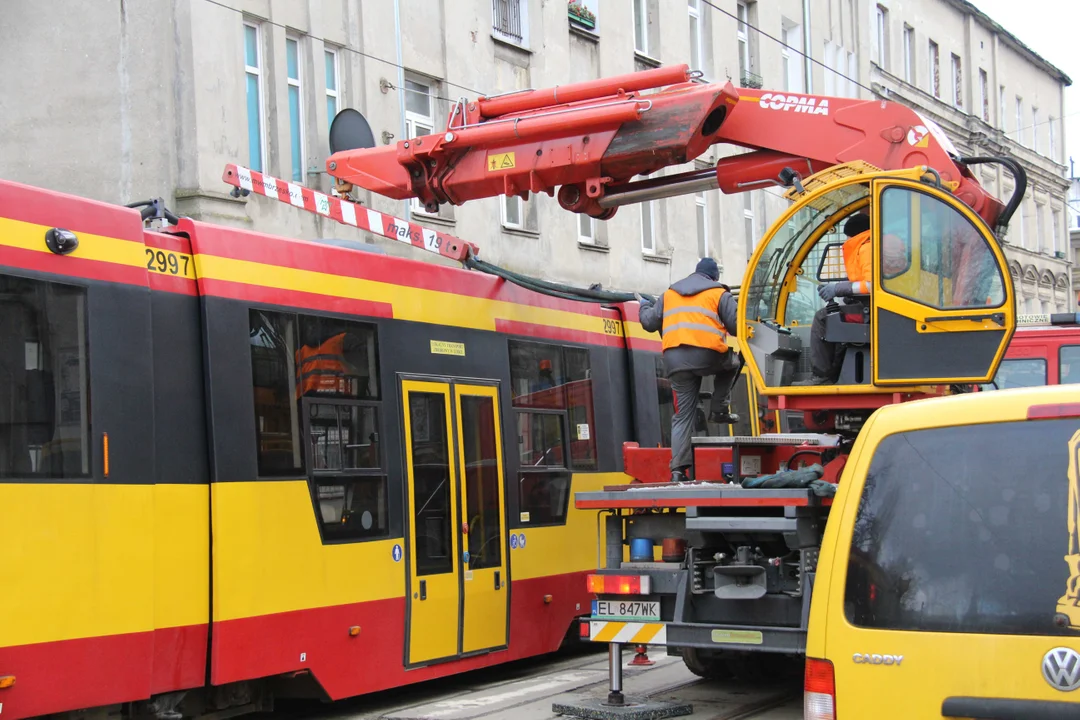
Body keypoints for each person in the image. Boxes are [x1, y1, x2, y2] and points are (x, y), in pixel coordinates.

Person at [638, 258, 740, 483]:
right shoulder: (718, 293)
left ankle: (677, 471)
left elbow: (649, 323)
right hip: (708, 355)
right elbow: (737, 326)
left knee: (683, 416)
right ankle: (719, 408)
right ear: (714, 277)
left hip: (675, 361)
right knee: (734, 362)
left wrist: (644, 305)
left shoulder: (669, 294)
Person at [797, 214, 873, 386]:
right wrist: (846, 293)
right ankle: (835, 374)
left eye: (847, 236)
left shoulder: (866, 247)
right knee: (836, 317)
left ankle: (822, 375)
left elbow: (871, 285)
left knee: (823, 318)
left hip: (871, 313)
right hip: (875, 309)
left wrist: (838, 289)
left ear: (854, 234)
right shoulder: (875, 244)